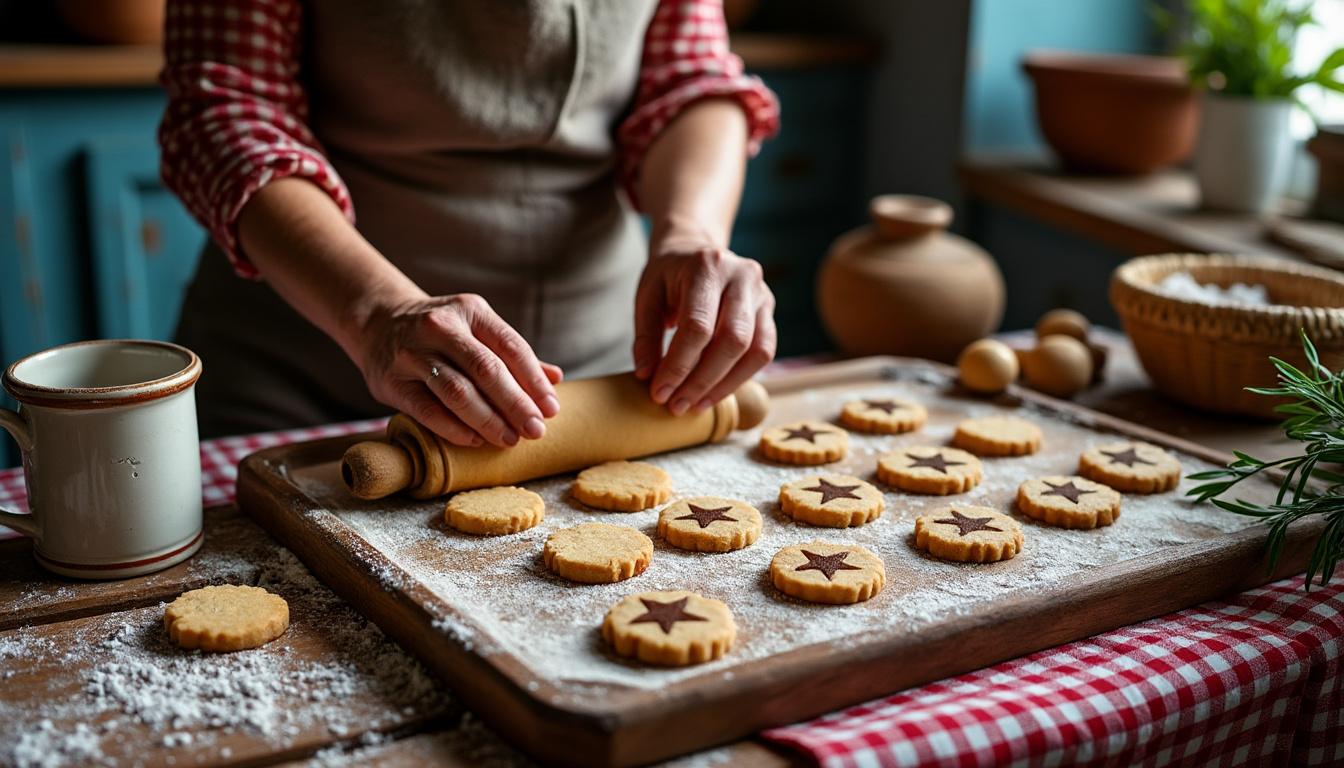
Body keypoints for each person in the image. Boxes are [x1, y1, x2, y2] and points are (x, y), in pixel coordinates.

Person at [159, 0, 780, 447]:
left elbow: (691, 78)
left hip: (601, 385)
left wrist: (691, 233)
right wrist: (378, 316)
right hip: (302, 374)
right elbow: (231, 108)